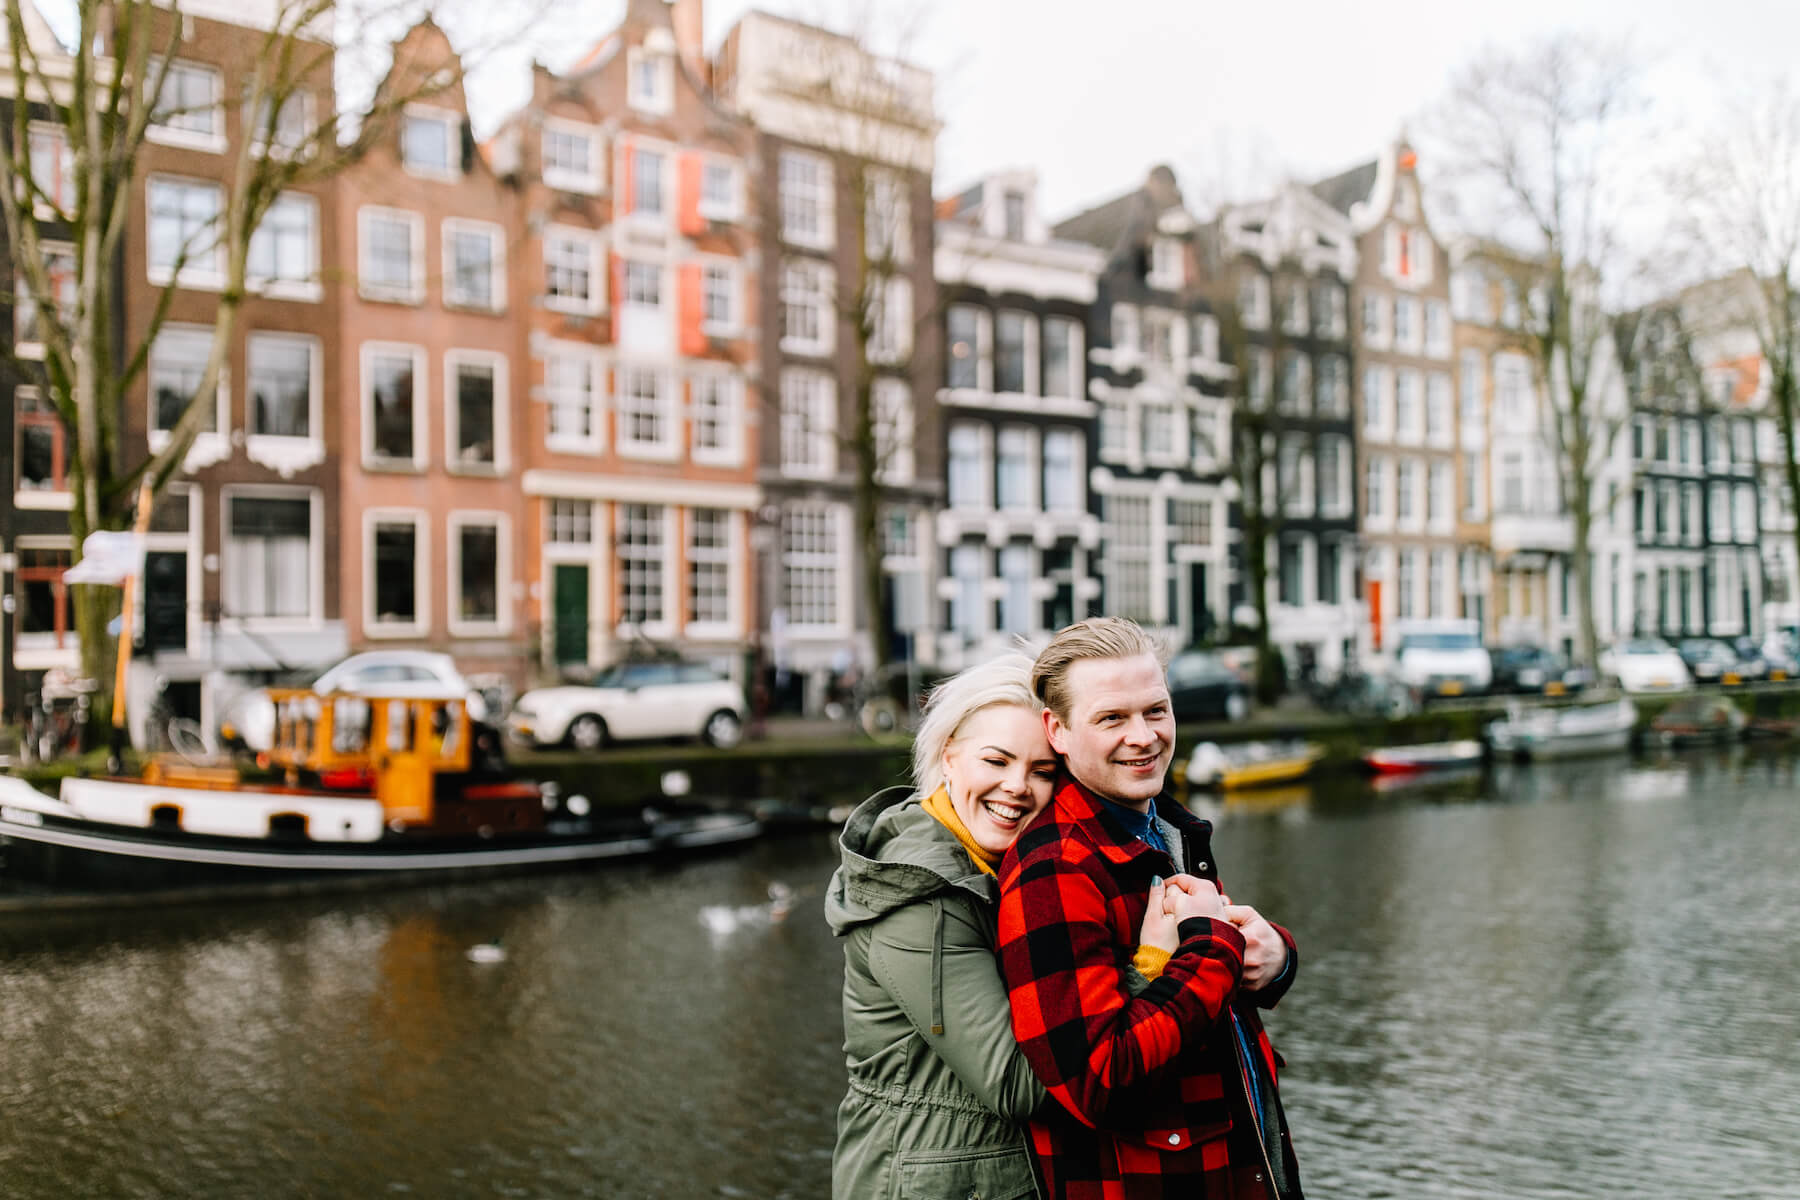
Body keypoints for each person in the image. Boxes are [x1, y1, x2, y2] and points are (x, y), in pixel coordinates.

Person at [825, 652, 1190, 1200]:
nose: (1017, 787)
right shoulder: (920, 900)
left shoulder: (1009, 869)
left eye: (1042, 771)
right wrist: (1151, 965)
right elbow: (1019, 1081)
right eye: (996, 761)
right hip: (932, 1182)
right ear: (950, 759)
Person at [998, 617, 1304, 1199]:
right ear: (1057, 731)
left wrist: (1277, 955)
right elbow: (1096, 1078)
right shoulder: (1055, 868)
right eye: (1112, 718)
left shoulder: (1164, 826)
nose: (1143, 736)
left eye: (1156, 711)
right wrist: (1216, 944)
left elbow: (1207, 971)